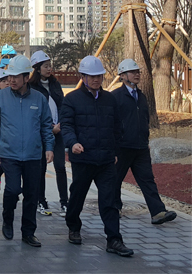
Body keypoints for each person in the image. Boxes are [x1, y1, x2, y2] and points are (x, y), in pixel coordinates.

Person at [61, 56, 134, 256]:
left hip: (106, 161)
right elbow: (66, 126)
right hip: (83, 158)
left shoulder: (110, 100)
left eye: (99, 76)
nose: (96, 80)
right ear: (83, 77)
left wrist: (116, 152)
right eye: (91, 76)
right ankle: (74, 227)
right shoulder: (71, 99)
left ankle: (114, 240)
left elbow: (117, 128)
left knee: (109, 201)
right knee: (77, 196)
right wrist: (72, 143)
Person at [0, 55, 54, 248]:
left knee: (32, 194)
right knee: (13, 189)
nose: (12, 80)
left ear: (26, 77)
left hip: (33, 155)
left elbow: (46, 126)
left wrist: (49, 148)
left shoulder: (39, 99)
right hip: (9, 154)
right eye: (9, 77)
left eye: (16, 76)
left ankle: (28, 232)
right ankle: (7, 219)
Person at [112, 59, 177, 225]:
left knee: (147, 180)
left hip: (141, 147)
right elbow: (111, 122)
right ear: (122, 75)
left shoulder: (141, 96)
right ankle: (113, 209)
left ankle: (158, 212)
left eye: (137, 72)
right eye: (133, 72)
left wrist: (145, 138)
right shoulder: (115, 97)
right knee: (115, 179)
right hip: (122, 147)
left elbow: (145, 119)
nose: (137, 74)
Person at [28, 51, 67, 218]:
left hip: (59, 132)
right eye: (45, 66)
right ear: (37, 68)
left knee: (60, 166)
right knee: (41, 167)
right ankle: (41, 200)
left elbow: (63, 105)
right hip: (41, 134)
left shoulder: (55, 84)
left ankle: (65, 201)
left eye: (50, 65)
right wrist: (49, 128)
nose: (49, 69)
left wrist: (60, 125)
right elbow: (33, 113)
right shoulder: (31, 88)